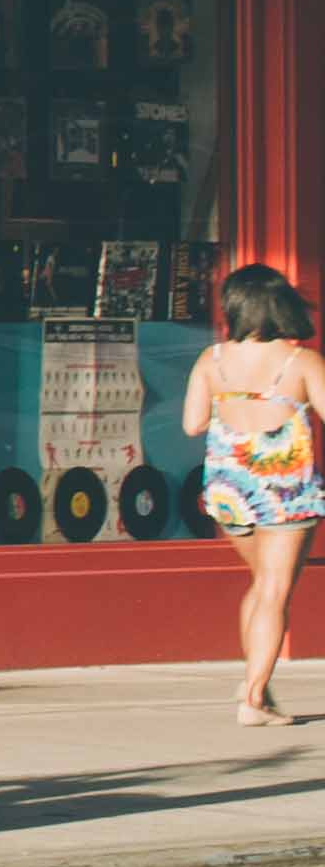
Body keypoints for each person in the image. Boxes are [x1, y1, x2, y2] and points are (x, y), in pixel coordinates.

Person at [185, 262, 324, 727]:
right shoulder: (299, 361)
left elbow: (192, 424)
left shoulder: (212, 360)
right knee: (274, 589)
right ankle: (252, 697)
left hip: (229, 488)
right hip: (285, 489)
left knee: (261, 584)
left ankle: (256, 688)